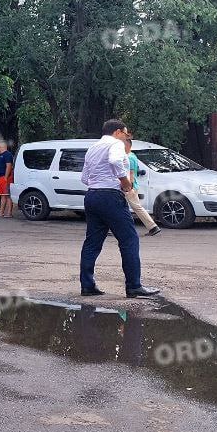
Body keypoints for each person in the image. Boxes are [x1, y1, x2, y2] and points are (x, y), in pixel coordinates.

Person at [79, 119, 162, 299]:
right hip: (111, 196)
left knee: (92, 242)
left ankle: (87, 285)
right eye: (125, 134)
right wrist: (125, 183)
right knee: (129, 240)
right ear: (117, 132)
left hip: (92, 195)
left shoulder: (92, 148)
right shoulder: (116, 144)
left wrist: (100, 181)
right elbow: (115, 161)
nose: (126, 137)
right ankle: (134, 286)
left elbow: (84, 178)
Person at [125, 138, 161, 236]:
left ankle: (153, 227)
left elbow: (131, 173)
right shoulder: (132, 156)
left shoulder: (129, 157)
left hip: (129, 186)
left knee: (136, 207)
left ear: (127, 145)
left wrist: (130, 187)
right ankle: (152, 227)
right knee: (124, 208)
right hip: (130, 186)